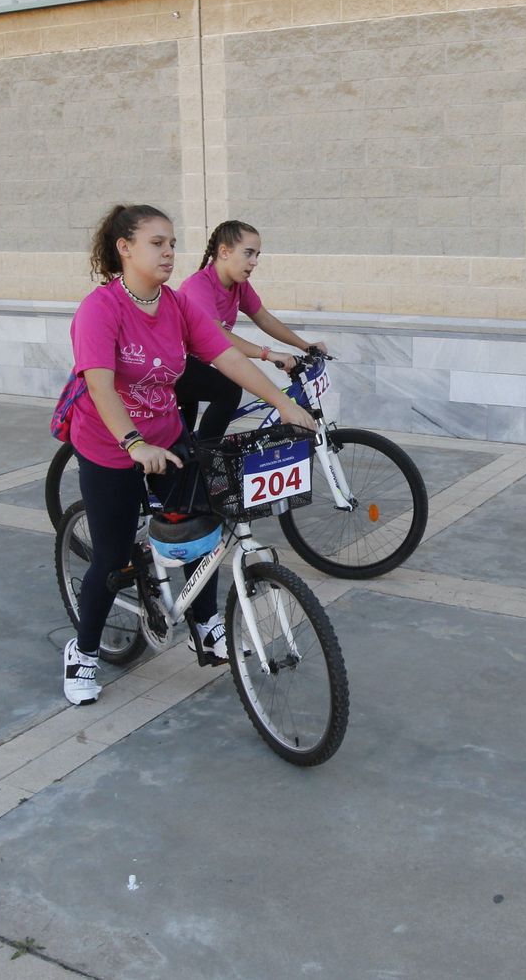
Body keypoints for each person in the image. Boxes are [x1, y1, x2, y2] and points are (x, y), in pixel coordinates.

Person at [63, 204, 316, 706]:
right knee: (111, 559)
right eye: (157, 243)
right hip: (111, 445)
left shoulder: (176, 305)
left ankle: (205, 624)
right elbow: (100, 385)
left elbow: (225, 359)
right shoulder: (102, 308)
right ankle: (84, 651)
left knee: (202, 527)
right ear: (125, 248)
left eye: (173, 243)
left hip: (167, 435)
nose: (169, 252)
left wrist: (285, 405)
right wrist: (134, 444)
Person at [175, 220, 328, 440]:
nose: (254, 262)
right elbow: (216, 335)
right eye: (248, 253)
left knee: (185, 449)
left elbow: (264, 318)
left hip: (196, 368)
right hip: (173, 366)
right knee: (228, 390)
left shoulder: (239, 285)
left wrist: (305, 345)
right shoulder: (199, 286)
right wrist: (268, 354)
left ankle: (198, 461)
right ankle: (207, 459)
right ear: (224, 252)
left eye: (257, 255)